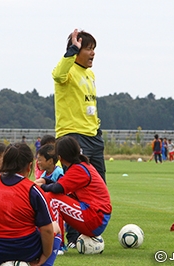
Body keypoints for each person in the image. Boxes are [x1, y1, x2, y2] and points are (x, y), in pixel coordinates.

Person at [0, 143, 61, 266]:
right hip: (26, 251)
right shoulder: (33, 190)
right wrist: (45, 255)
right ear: (29, 166)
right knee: (55, 227)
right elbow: (47, 230)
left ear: (4, 162)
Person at [52, 28, 106, 183]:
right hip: (73, 135)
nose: (93, 53)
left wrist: (96, 129)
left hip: (93, 136)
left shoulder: (90, 74)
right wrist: (72, 50)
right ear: (76, 51)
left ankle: (100, 209)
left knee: (98, 184)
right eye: (88, 49)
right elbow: (57, 75)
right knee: (76, 183)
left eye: (94, 49)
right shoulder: (67, 70)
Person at [35, 136, 112, 239]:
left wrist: (42, 186)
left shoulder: (78, 169)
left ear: (60, 157)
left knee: (53, 199)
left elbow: (57, 188)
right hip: (97, 216)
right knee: (54, 196)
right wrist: (46, 181)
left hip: (96, 218)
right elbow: (59, 185)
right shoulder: (81, 165)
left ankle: (57, 243)